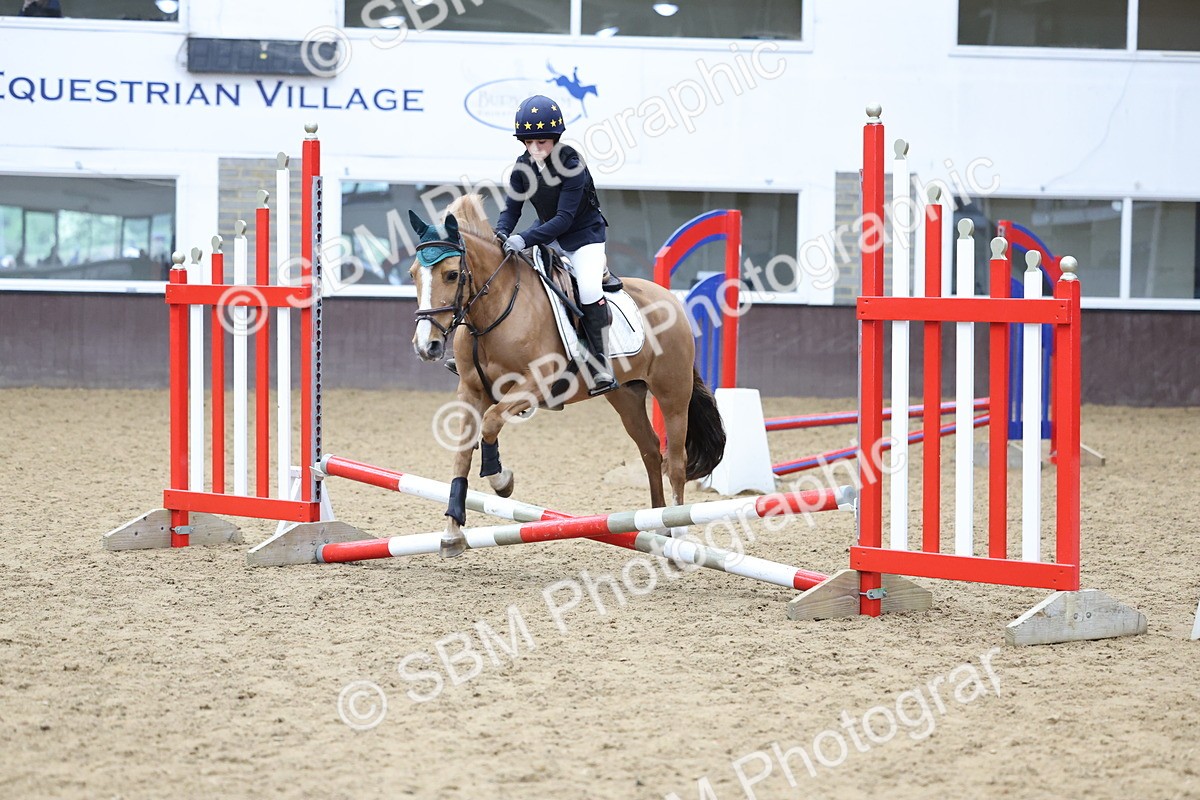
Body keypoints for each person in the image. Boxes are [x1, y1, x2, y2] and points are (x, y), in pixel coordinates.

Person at [494, 94, 618, 397]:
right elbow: (512, 209)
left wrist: (523, 239)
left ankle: (601, 366)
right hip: (546, 231)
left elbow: (564, 219)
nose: (535, 149)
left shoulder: (571, 165)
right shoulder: (522, 167)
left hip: (583, 237)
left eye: (543, 142)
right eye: (529, 142)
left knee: (588, 290)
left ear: (555, 138)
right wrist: (500, 233)